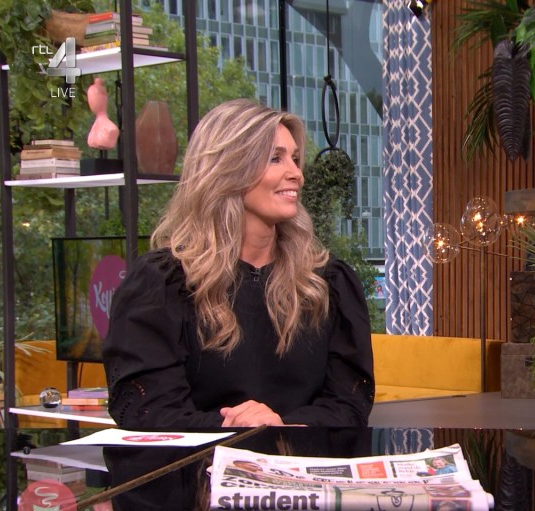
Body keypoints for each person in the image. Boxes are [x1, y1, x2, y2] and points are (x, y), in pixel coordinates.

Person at [103, 99, 375, 428]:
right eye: (275, 158)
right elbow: (147, 410)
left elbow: (349, 404)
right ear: (229, 169)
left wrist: (280, 427)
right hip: (200, 460)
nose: (297, 174)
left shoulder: (326, 283)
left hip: (303, 457)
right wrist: (237, 429)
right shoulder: (161, 283)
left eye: (295, 159)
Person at [86, 77, 119, 150]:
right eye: (90, 99)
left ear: (103, 99)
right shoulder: (95, 125)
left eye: (95, 98)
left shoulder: (111, 129)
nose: (91, 102)